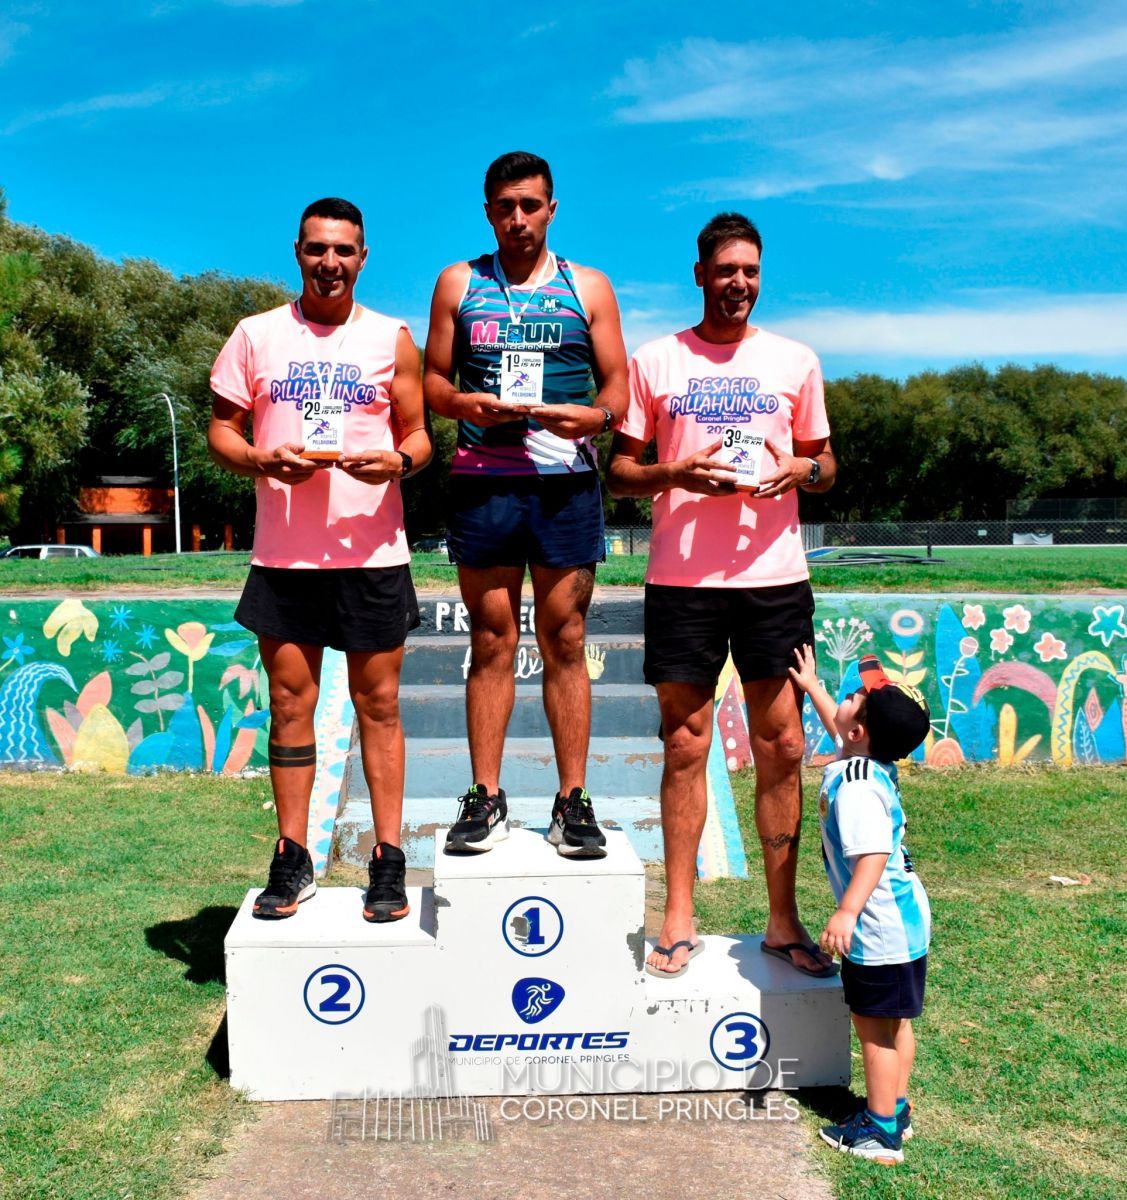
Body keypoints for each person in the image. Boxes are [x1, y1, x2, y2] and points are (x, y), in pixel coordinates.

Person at [607, 212, 837, 978]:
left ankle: (781, 919)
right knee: (684, 744)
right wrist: (675, 474)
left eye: (750, 271)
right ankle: (677, 913)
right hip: (682, 582)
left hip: (774, 580)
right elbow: (621, 470)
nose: (738, 283)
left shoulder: (794, 360)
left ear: (758, 277)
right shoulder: (656, 361)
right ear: (700, 274)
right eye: (725, 270)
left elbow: (824, 464)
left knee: (784, 746)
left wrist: (799, 474)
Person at [208, 197, 431, 921]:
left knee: (380, 706)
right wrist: (255, 459)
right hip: (284, 557)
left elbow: (422, 437)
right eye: (316, 250)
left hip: (371, 554)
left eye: (344, 251)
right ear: (297, 254)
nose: (329, 263)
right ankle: (291, 856)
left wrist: (394, 462)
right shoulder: (255, 335)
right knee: (289, 706)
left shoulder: (391, 338)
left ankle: (387, 858)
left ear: (363, 258)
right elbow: (221, 428)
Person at [423, 151, 628, 858]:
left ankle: (571, 802)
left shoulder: (588, 286)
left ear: (551, 208)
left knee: (566, 641)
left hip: (564, 484)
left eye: (530, 204)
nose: (518, 218)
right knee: (489, 641)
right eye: (504, 206)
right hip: (484, 481)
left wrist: (592, 421)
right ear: (487, 211)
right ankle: (485, 797)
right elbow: (431, 385)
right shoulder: (459, 282)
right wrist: (464, 402)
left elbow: (618, 392)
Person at [789, 645, 932, 1164]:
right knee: (897, 1022)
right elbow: (842, 729)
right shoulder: (869, 764)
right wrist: (813, 687)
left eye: (854, 699)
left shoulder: (853, 788)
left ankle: (880, 1131)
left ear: (859, 733)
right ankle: (896, 1107)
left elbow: (871, 854)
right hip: (906, 922)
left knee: (874, 1030)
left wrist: (847, 911)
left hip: (878, 926)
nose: (846, 700)